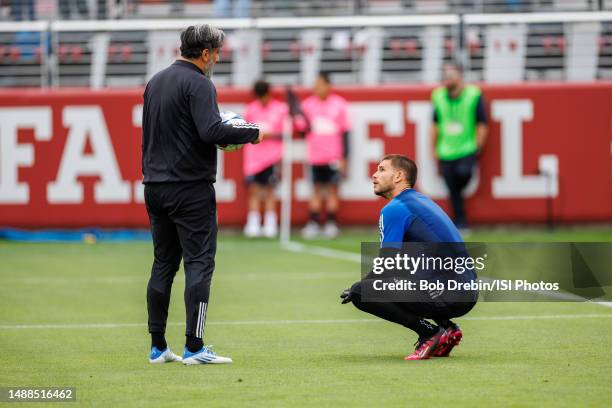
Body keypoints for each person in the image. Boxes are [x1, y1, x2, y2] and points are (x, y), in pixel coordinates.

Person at [142, 24, 262, 365]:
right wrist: (252, 131)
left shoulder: (156, 82)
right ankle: (195, 347)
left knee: (163, 263)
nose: (219, 58)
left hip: (154, 186)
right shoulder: (198, 83)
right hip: (190, 188)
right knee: (199, 263)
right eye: (218, 52)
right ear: (206, 53)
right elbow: (211, 130)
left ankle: (158, 346)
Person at [340, 154, 478, 360]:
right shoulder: (421, 201)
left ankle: (428, 333)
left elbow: (386, 265)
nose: (374, 175)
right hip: (466, 292)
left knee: (362, 291)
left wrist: (359, 289)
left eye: (381, 169)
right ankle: (447, 328)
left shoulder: (395, 209)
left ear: (399, 176)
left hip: (449, 294)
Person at [431, 62, 488, 232]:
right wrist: (434, 148)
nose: (447, 79)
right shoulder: (438, 96)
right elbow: (434, 124)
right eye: (445, 76)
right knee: (452, 190)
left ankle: (460, 220)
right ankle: (460, 222)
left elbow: (482, 123)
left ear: (460, 77)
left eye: (451, 75)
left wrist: (478, 146)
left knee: (462, 174)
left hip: (466, 148)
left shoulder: (473, 95)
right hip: (446, 149)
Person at [298, 72, 350, 239]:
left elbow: (346, 133)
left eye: (319, 84)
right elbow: (302, 129)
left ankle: (331, 223)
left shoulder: (339, 105)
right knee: (316, 190)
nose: (316, 88)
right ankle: (313, 223)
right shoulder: (307, 105)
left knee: (333, 190)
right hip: (314, 156)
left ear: (328, 86)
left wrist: (344, 157)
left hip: (334, 156)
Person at [242, 80, 288, 238]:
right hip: (253, 158)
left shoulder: (281, 109)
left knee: (270, 190)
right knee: (254, 191)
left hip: (272, 158)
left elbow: (286, 133)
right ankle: (253, 224)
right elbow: (245, 132)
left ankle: (270, 224)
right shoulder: (250, 109)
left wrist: (266, 134)